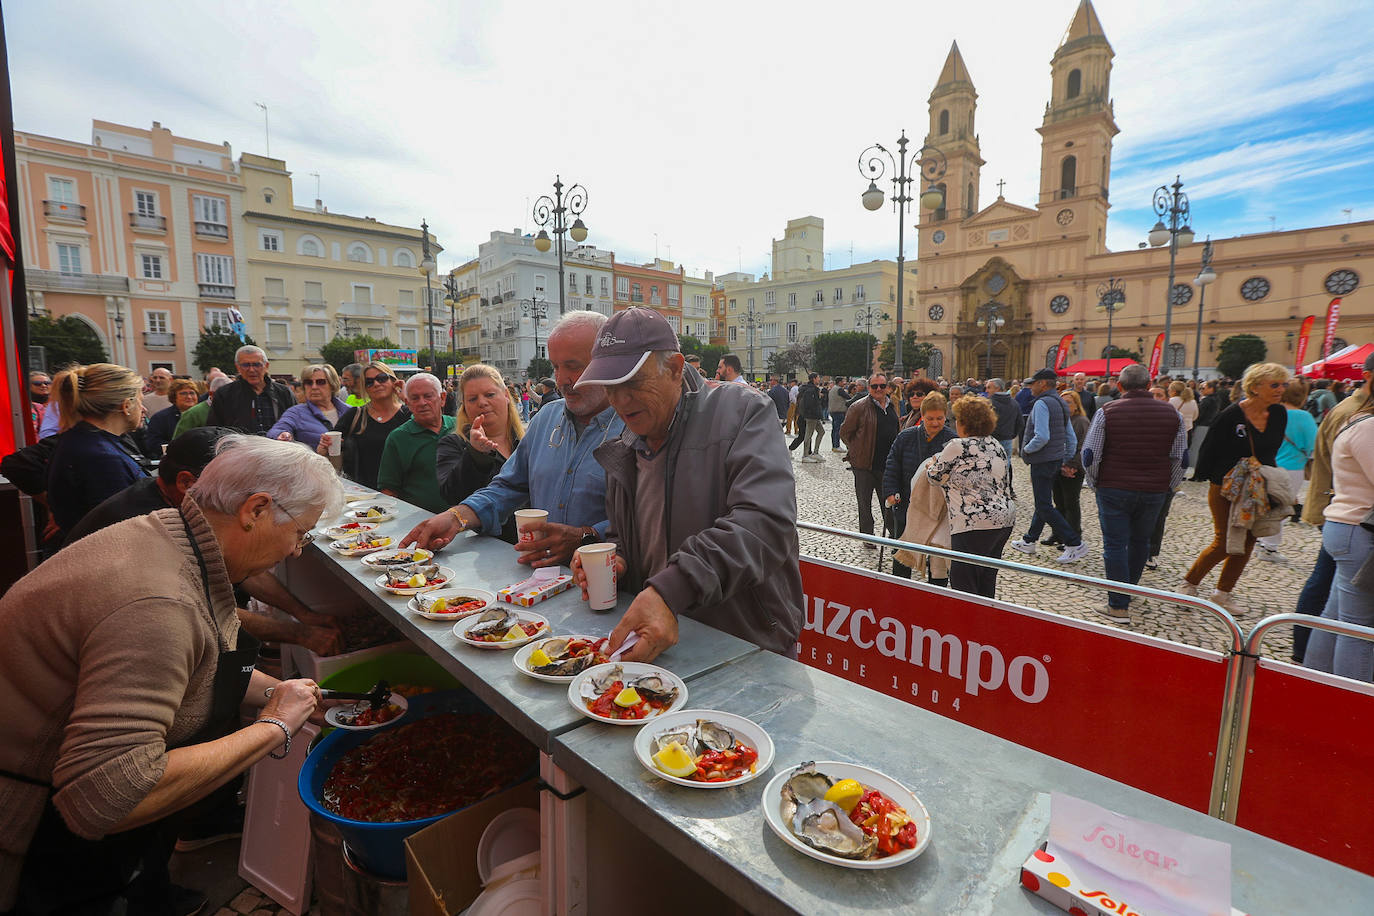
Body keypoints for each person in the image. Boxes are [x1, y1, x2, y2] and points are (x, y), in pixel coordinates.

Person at [0, 436, 334, 916]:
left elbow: (200, 658)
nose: (297, 550)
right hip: (33, 838)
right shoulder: (157, 602)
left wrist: (278, 690)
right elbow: (106, 796)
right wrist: (275, 726)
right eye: (302, 533)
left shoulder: (170, 533)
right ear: (256, 510)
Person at [567, 307, 802, 661]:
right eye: (610, 387)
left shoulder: (743, 412)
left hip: (744, 647)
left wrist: (672, 588)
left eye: (632, 382)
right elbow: (625, 533)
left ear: (675, 369)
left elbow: (765, 523)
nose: (619, 401)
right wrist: (617, 559)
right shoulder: (623, 442)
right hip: (658, 645)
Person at [63, 426, 345, 657]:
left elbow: (239, 565)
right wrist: (299, 634)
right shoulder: (157, 581)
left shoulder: (201, 524)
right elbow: (199, 610)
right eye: (299, 534)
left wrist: (303, 614)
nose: (296, 551)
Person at [403, 311, 626, 566]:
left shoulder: (635, 426)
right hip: (543, 577)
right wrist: (457, 517)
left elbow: (650, 517)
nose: (561, 380)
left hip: (609, 580)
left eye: (573, 366)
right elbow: (508, 486)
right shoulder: (546, 418)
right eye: (555, 367)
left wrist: (587, 536)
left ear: (607, 363)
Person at [1079, 364, 1188, 623]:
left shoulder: (1107, 411)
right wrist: (1169, 485)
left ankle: (1118, 604)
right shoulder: (1172, 414)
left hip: (1113, 486)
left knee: (1115, 544)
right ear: (1149, 385)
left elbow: (1090, 454)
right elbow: (1181, 457)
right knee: (1141, 541)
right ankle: (1128, 589)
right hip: (1154, 489)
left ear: (1119, 385)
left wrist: (1095, 482)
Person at [1181, 362, 1290, 610]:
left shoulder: (1279, 413)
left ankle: (1222, 593)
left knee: (1249, 540)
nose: (1281, 389)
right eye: (1274, 384)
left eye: (1283, 384)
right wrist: (1208, 478)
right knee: (1224, 542)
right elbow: (1209, 449)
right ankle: (1189, 583)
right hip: (1225, 485)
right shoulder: (1230, 415)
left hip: (1256, 485)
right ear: (1255, 387)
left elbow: (1270, 451)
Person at [1293, 357, 1373, 661]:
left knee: (1337, 612)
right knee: (1355, 625)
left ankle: (1313, 673)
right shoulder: (1363, 421)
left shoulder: (1358, 416)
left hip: (1348, 520)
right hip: (1355, 522)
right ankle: (1340, 686)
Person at [45, 363, 150, 545]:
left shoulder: (79, 439)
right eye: (141, 401)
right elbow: (120, 529)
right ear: (126, 406)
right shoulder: (103, 458)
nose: (144, 409)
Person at [924, 395, 1015, 598]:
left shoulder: (957, 446)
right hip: (1003, 521)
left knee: (964, 582)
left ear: (964, 423)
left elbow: (935, 477)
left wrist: (931, 464)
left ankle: (967, 617)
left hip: (973, 522)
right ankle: (985, 615)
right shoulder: (996, 444)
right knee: (986, 579)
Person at [435, 364, 525, 542]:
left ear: (506, 396)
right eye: (472, 399)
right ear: (464, 406)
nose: (482, 402)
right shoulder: (453, 443)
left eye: (490, 395)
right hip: (486, 548)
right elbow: (451, 494)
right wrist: (476, 454)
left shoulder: (528, 441)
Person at [1010, 369, 1088, 562]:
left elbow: (1042, 436)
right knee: (1043, 502)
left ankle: (1074, 543)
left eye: (1033, 383)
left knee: (1044, 505)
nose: (1030, 387)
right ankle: (1029, 540)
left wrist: (1026, 450)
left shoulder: (1042, 403)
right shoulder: (1061, 402)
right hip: (1054, 460)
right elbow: (1070, 437)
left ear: (1043, 384)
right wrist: (1064, 458)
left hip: (1042, 461)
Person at [883, 391, 956, 580]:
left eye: (939, 418)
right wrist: (891, 491)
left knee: (937, 559)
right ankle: (899, 587)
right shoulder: (905, 437)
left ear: (945, 416)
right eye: (930, 418)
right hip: (907, 503)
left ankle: (935, 590)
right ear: (922, 416)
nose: (935, 423)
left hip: (936, 509)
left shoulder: (953, 442)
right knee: (903, 550)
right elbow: (892, 465)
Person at [1255, 379, 1318, 559]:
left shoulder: (1269, 412)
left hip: (1266, 465)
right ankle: (1269, 547)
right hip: (1291, 467)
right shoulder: (1303, 417)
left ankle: (1260, 540)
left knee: (1265, 506)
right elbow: (1313, 446)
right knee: (1280, 508)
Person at [377, 373, 456, 513]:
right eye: (415, 398)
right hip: (417, 521)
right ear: (407, 403)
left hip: (467, 521)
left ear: (442, 398)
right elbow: (388, 490)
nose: (422, 403)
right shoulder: (398, 438)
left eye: (428, 396)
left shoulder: (460, 428)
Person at [322, 361, 409, 489]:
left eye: (382, 378)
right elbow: (332, 447)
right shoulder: (355, 415)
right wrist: (324, 449)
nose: (376, 384)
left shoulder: (409, 414)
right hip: (364, 492)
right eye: (369, 382)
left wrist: (407, 398)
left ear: (393, 381)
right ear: (365, 388)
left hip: (404, 491)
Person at [840, 373, 901, 548]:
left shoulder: (892, 405)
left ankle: (894, 535)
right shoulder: (858, 407)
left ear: (887, 387)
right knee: (864, 504)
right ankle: (868, 537)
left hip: (886, 465)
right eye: (874, 386)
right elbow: (845, 433)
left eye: (882, 386)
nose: (878, 389)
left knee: (888, 502)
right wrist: (857, 450)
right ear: (869, 388)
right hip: (864, 465)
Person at [206, 345, 295, 435]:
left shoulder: (283, 393)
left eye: (257, 364)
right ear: (238, 367)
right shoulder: (225, 395)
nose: (251, 370)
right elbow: (214, 429)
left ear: (266, 366)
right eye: (246, 365)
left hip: (278, 443)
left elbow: (295, 423)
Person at [1048, 389, 1092, 549]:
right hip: (1057, 466)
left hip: (1073, 469)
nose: (1065, 405)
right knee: (1058, 502)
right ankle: (1058, 533)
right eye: (1062, 402)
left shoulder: (1081, 421)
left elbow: (1084, 446)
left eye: (1068, 402)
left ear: (1076, 405)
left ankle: (1073, 537)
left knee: (1071, 504)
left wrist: (1072, 465)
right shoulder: (1059, 420)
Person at [268, 364, 346, 450]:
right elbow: (277, 430)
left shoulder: (350, 411)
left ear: (332, 385)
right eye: (308, 383)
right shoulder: (296, 412)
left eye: (320, 382)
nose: (314, 387)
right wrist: (282, 434)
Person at [144, 379, 201, 457]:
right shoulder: (160, 418)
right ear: (174, 397)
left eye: (192, 393)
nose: (189, 397)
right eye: (183, 393)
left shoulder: (205, 413)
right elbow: (154, 443)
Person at [986, 378, 1024, 480]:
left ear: (997, 388)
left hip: (990, 440)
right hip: (1007, 439)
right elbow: (1020, 423)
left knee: (990, 469)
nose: (986, 390)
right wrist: (1011, 435)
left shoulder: (988, 404)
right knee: (1005, 467)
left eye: (989, 387)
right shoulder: (1014, 403)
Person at [797, 373, 827, 461]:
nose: (819, 379)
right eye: (818, 378)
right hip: (811, 416)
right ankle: (805, 455)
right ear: (814, 379)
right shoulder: (811, 390)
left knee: (821, 432)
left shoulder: (812, 388)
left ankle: (815, 453)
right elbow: (809, 403)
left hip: (814, 415)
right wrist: (813, 412)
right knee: (808, 435)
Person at [27, 371, 51, 439]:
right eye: (37, 384)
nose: (43, 386)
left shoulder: (59, 404)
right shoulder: (24, 406)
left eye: (47, 383)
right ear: (28, 386)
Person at [827, 378, 849, 451]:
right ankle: (837, 446)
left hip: (833, 411)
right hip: (839, 411)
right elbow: (848, 397)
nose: (844, 383)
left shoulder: (832, 389)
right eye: (843, 381)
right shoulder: (839, 389)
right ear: (839, 382)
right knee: (838, 429)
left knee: (834, 429)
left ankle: (834, 445)